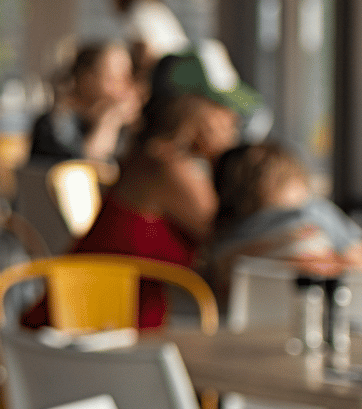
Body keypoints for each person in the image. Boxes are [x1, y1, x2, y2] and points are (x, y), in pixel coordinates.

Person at [62, 51, 258, 328]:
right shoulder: (167, 168)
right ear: (192, 109)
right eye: (222, 106)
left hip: (98, 327)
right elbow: (238, 238)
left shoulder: (148, 156)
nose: (234, 119)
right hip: (85, 337)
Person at [210, 140, 362, 297]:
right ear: (291, 179)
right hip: (321, 322)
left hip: (253, 329)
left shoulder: (221, 249)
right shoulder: (313, 214)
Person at [29, 40, 142, 165]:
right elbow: (85, 167)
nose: (126, 88)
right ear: (87, 79)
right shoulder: (55, 124)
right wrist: (110, 121)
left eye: (129, 77)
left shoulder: (129, 127)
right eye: (115, 79)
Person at [113, 0, 191, 75]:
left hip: (168, 74)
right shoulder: (156, 8)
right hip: (185, 70)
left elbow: (146, 53)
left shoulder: (137, 9)